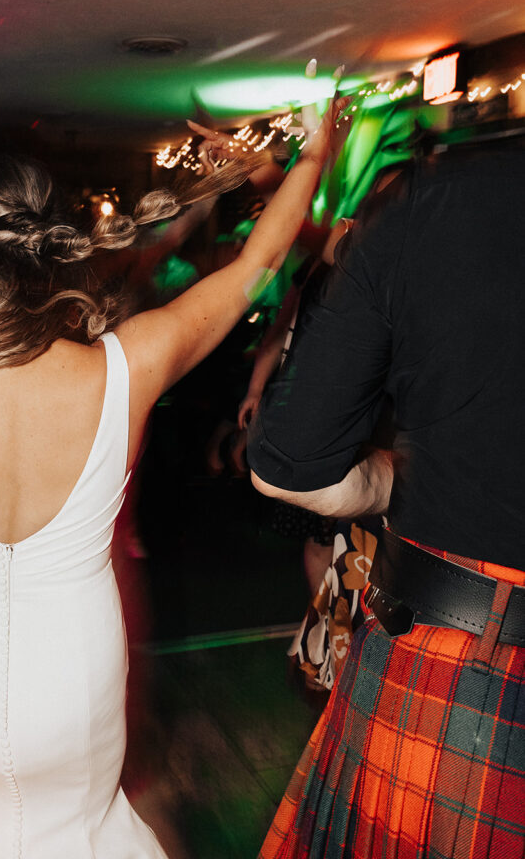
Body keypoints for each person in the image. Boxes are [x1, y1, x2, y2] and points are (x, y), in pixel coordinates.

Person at [0, 98, 346, 859]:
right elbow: (258, 264)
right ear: (52, 250)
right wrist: (314, 153)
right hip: (71, 656)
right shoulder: (127, 365)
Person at [248, 138, 525, 858]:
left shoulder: (433, 197)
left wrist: (403, 475)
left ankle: (314, 654)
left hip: (466, 662)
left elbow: (289, 469)